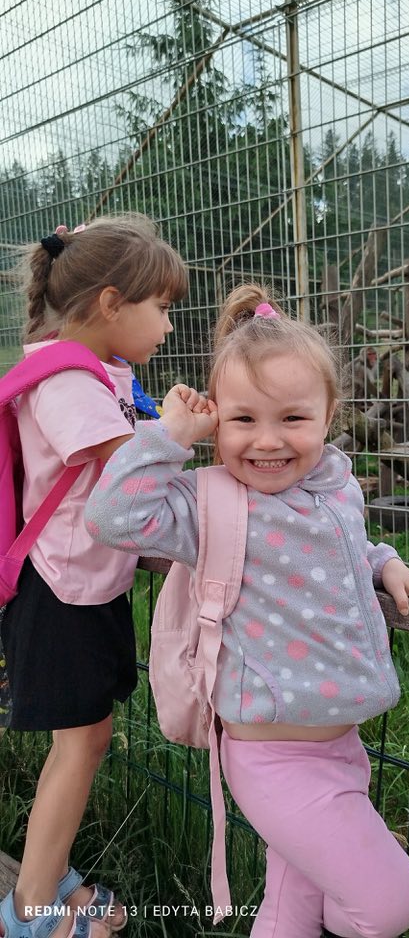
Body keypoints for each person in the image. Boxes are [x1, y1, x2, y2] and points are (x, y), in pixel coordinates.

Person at [84, 284, 409, 938]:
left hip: (342, 746)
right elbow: (112, 517)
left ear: (329, 414)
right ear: (215, 420)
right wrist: (166, 438)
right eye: (243, 419)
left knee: (292, 907)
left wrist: (385, 562)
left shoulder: (335, 483)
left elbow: (344, 546)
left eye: (292, 418)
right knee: (388, 904)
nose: (268, 441)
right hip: (273, 761)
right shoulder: (208, 504)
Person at [0, 215, 188, 938]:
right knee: (79, 745)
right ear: (111, 303)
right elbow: (129, 472)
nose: (168, 326)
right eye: (161, 308)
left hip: (87, 584)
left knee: (87, 739)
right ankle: (31, 913)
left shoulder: (96, 374)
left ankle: (46, 877)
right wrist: (179, 433)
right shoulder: (67, 383)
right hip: (60, 594)